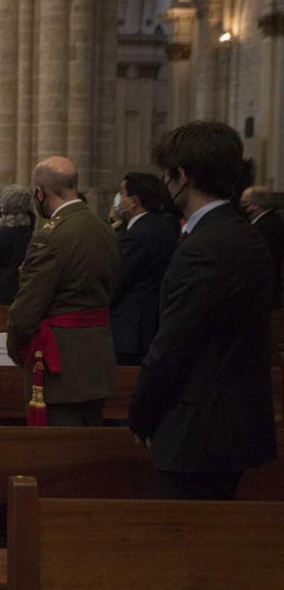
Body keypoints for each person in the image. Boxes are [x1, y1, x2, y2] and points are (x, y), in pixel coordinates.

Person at [130, 122, 277, 499]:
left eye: (167, 174)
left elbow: (173, 348)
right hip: (236, 424)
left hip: (197, 430)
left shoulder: (203, 248)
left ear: (182, 176)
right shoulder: (246, 235)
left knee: (187, 548)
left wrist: (141, 416)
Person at [6, 157, 120, 426]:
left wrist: (15, 349)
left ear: (39, 192)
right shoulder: (105, 229)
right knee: (90, 453)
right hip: (97, 358)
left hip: (60, 367)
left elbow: (27, 309)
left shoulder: (50, 236)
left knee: (58, 451)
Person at [111, 173, 178, 366]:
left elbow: (118, 279)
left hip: (132, 330)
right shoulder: (162, 226)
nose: (118, 199)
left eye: (121, 193)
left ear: (134, 201)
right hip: (151, 323)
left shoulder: (139, 234)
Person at [240, 185, 284, 306]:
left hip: (263, 291)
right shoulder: (272, 220)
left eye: (244, 203)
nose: (241, 206)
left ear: (255, 205)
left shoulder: (264, 228)